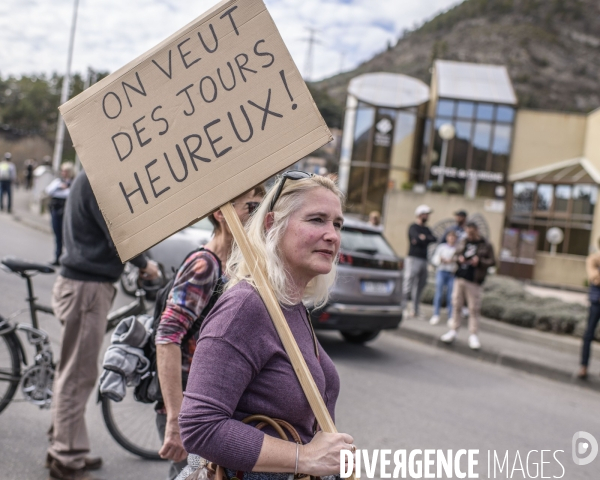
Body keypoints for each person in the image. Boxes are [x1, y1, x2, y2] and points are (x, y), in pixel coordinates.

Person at [178, 172, 354, 479]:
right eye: (316, 220)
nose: (332, 235)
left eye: (337, 224)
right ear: (272, 224)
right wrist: (304, 457)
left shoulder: (290, 305)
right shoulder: (246, 306)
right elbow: (199, 426)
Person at [48, 171, 160, 480]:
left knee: (71, 370)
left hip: (80, 284)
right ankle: (66, 458)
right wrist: (145, 264)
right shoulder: (98, 181)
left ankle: (66, 443)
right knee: (78, 374)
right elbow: (119, 235)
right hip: (87, 288)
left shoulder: (88, 177)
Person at [155, 185, 265, 480]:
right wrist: (176, 421)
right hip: (191, 410)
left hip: (211, 408)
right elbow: (167, 337)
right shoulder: (205, 265)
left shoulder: (237, 267)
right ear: (220, 213)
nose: (258, 218)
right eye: (250, 209)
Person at [440, 222, 495, 350]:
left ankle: (473, 335)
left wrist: (479, 262)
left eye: (471, 232)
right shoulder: (463, 241)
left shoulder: (485, 244)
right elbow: (455, 254)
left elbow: (492, 261)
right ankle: (453, 331)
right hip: (460, 277)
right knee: (456, 305)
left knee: (473, 308)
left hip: (474, 280)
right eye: (467, 232)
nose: (469, 235)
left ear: (477, 231)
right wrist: (459, 258)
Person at [402, 205, 436, 318]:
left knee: (420, 285)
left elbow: (434, 239)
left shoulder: (427, 229)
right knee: (408, 284)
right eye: (425, 214)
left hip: (424, 260)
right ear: (420, 215)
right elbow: (415, 239)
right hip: (413, 259)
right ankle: (403, 308)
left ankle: (415, 310)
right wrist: (424, 239)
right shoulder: (413, 227)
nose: (427, 216)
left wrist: (423, 238)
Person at [45, 162, 75, 265]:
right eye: (63, 171)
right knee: (57, 234)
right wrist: (60, 187)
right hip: (56, 209)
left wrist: (66, 188)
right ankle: (57, 257)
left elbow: (72, 194)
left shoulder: (73, 183)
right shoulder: (58, 182)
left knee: (67, 235)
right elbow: (49, 191)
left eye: (66, 171)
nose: (64, 173)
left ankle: (68, 258)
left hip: (66, 211)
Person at [578, 240, 600, 379]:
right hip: (596, 303)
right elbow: (595, 279)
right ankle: (584, 366)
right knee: (588, 334)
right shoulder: (593, 259)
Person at [429, 230, 457, 325]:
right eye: (450, 237)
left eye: (453, 237)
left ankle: (451, 317)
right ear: (447, 238)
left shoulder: (457, 249)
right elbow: (435, 259)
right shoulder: (441, 247)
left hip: (451, 274)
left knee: (451, 296)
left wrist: (452, 261)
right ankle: (436, 314)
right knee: (439, 294)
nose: (451, 239)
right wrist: (440, 260)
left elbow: (458, 261)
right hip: (441, 271)